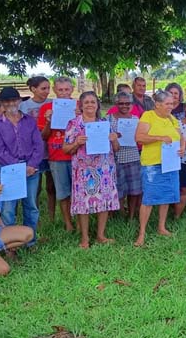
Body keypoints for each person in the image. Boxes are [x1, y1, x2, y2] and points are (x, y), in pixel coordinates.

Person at [63, 91, 120, 248]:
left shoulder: (104, 123)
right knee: (83, 204)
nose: (90, 105)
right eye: (86, 102)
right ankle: (85, 238)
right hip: (84, 171)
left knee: (104, 200)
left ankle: (101, 235)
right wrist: (76, 143)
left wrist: (114, 140)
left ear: (97, 105)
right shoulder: (74, 124)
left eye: (93, 102)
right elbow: (65, 149)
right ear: (81, 105)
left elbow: (116, 148)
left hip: (104, 169)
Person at [0, 86, 44, 247]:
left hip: (31, 170)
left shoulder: (29, 121)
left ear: (19, 101)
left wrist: (32, 165)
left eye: (13, 100)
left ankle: (30, 241)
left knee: (31, 206)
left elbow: (38, 145)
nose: (10, 104)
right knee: (8, 208)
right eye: (6, 101)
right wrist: (19, 167)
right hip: (9, 171)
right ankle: (10, 245)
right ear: (1, 103)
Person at [134, 91, 185, 245]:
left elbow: (181, 136)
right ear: (157, 104)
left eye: (172, 103)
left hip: (170, 164)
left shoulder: (172, 118)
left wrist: (182, 147)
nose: (171, 106)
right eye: (168, 104)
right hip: (153, 164)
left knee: (166, 196)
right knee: (149, 198)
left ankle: (161, 227)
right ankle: (142, 232)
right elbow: (139, 137)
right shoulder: (148, 116)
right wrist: (159, 138)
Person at [37, 76, 77, 232]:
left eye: (67, 89)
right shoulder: (47, 108)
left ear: (72, 89)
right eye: (60, 90)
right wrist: (49, 121)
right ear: (54, 90)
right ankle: (68, 223)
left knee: (77, 191)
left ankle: (80, 221)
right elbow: (43, 136)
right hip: (57, 156)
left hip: (77, 155)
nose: (64, 93)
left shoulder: (79, 106)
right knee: (62, 192)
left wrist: (80, 116)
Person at [19, 76, 55, 221]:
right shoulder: (23, 106)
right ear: (33, 89)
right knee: (36, 186)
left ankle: (52, 216)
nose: (47, 91)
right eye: (43, 88)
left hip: (51, 149)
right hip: (33, 152)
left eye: (48, 88)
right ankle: (35, 217)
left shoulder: (53, 104)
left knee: (52, 186)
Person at [108, 91, 143, 219]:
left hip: (133, 157)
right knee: (118, 189)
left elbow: (140, 137)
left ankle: (131, 215)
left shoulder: (136, 119)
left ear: (131, 104)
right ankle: (119, 214)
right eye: (121, 103)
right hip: (115, 158)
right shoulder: (108, 119)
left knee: (134, 189)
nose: (124, 106)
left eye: (127, 103)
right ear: (116, 104)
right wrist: (113, 137)